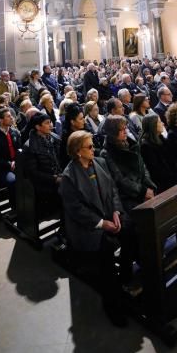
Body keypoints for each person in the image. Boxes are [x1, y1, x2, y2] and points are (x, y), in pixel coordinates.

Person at [60, 130, 127, 327]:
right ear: (78, 152)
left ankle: (126, 277)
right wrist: (101, 223)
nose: (93, 148)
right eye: (89, 147)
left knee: (132, 231)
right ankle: (112, 306)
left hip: (109, 217)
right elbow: (76, 211)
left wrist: (116, 211)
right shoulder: (69, 177)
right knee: (105, 254)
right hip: (88, 228)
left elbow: (113, 189)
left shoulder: (100, 162)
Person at [100, 115, 156, 214]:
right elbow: (120, 180)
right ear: (113, 133)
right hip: (128, 197)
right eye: (122, 130)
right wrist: (143, 192)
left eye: (125, 128)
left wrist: (148, 187)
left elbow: (143, 167)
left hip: (144, 189)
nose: (125, 131)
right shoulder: (107, 153)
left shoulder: (131, 144)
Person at [140, 113, 177, 193]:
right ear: (153, 125)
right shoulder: (146, 146)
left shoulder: (161, 138)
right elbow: (157, 171)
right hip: (165, 185)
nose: (163, 123)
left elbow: (172, 159)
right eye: (160, 122)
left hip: (174, 178)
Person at [23, 112, 63, 203]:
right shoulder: (30, 146)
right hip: (45, 183)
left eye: (50, 122)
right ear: (38, 127)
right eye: (47, 123)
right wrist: (55, 178)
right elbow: (33, 173)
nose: (51, 125)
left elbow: (61, 159)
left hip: (59, 176)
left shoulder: (55, 138)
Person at [0, 108, 22, 209]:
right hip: (3, 168)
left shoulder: (14, 132)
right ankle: (15, 207)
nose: (12, 117)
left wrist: (16, 161)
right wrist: (8, 164)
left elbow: (19, 149)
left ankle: (28, 204)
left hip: (17, 164)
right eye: (8, 116)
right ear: (1, 120)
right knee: (13, 181)